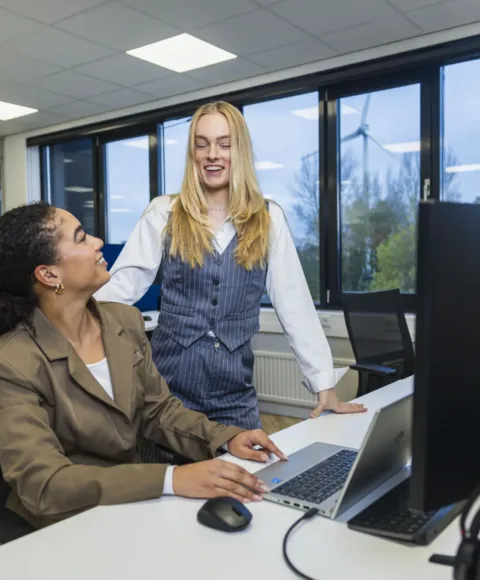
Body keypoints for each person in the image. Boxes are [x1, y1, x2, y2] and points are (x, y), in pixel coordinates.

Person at [0, 202, 287, 530]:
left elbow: (158, 411)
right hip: (61, 524)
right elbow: (45, 483)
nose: (97, 241)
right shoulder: (12, 362)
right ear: (49, 274)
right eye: (81, 238)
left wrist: (226, 438)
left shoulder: (124, 321)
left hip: (132, 504)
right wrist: (171, 478)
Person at [95, 101, 366, 430]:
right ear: (192, 153)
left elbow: (295, 305)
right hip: (166, 394)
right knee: (166, 465)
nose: (213, 154)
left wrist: (324, 385)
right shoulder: (164, 212)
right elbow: (121, 287)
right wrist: (63, 313)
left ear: (241, 151)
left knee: (245, 463)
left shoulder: (268, 218)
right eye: (202, 144)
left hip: (234, 394)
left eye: (224, 144)